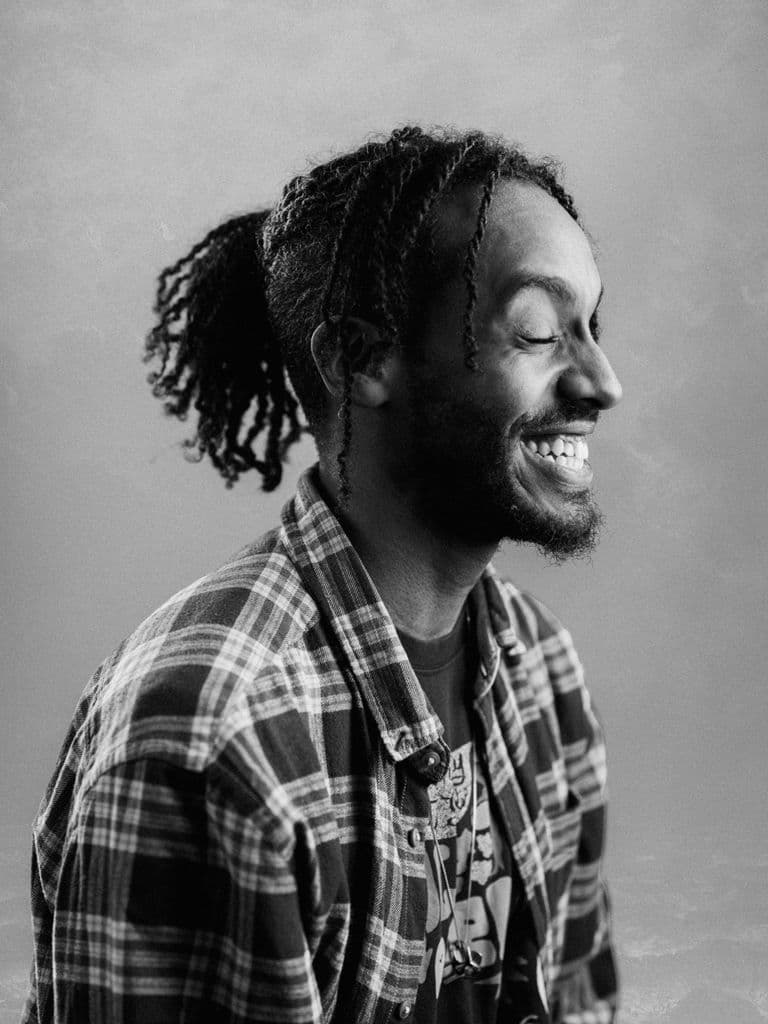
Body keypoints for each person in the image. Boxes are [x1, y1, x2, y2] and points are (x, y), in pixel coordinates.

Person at [22, 126, 623, 1024]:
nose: (603, 381)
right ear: (360, 359)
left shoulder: (542, 666)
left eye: (592, 327)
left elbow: (576, 994)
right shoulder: (214, 739)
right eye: (538, 331)